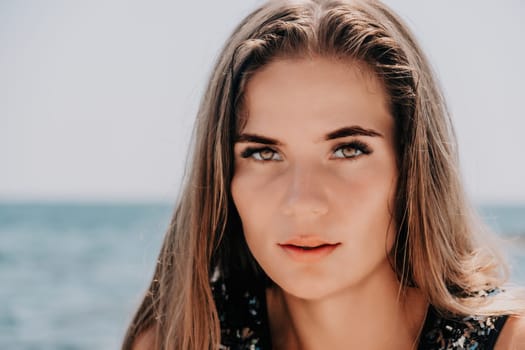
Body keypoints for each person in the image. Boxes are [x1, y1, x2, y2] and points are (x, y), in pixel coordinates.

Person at [122, 0, 525, 349]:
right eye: (263, 153)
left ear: (412, 169)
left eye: (348, 150)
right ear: (224, 177)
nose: (302, 203)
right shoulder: (181, 341)